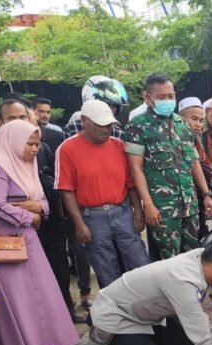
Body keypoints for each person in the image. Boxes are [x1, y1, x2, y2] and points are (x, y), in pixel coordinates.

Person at [0, 120, 80, 345]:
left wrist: (36, 209)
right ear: (13, 141)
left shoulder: (24, 164)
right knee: (7, 301)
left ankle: (44, 343)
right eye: (29, 143)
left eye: (37, 144)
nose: (33, 149)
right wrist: (30, 215)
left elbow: (42, 201)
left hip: (24, 237)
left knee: (35, 293)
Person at [55, 99, 149, 287]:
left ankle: (144, 307)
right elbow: (66, 190)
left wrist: (138, 211)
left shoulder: (119, 146)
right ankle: (116, 311)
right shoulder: (67, 149)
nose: (106, 130)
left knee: (139, 262)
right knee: (106, 268)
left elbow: (130, 183)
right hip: (93, 217)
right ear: (84, 121)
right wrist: (79, 224)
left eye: (109, 125)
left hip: (122, 212)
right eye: (100, 125)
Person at [125, 73, 212, 259]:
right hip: (163, 209)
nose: (168, 100)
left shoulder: (183, 125)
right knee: (170, 260)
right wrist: (147, 205)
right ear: (147, 97)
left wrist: (206, 194)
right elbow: (135, 169)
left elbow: (194, 161)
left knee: (194, 257)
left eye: (171, 96)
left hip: (189, 205)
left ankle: (193, 290)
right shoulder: (138, 127)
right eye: (161, 97)